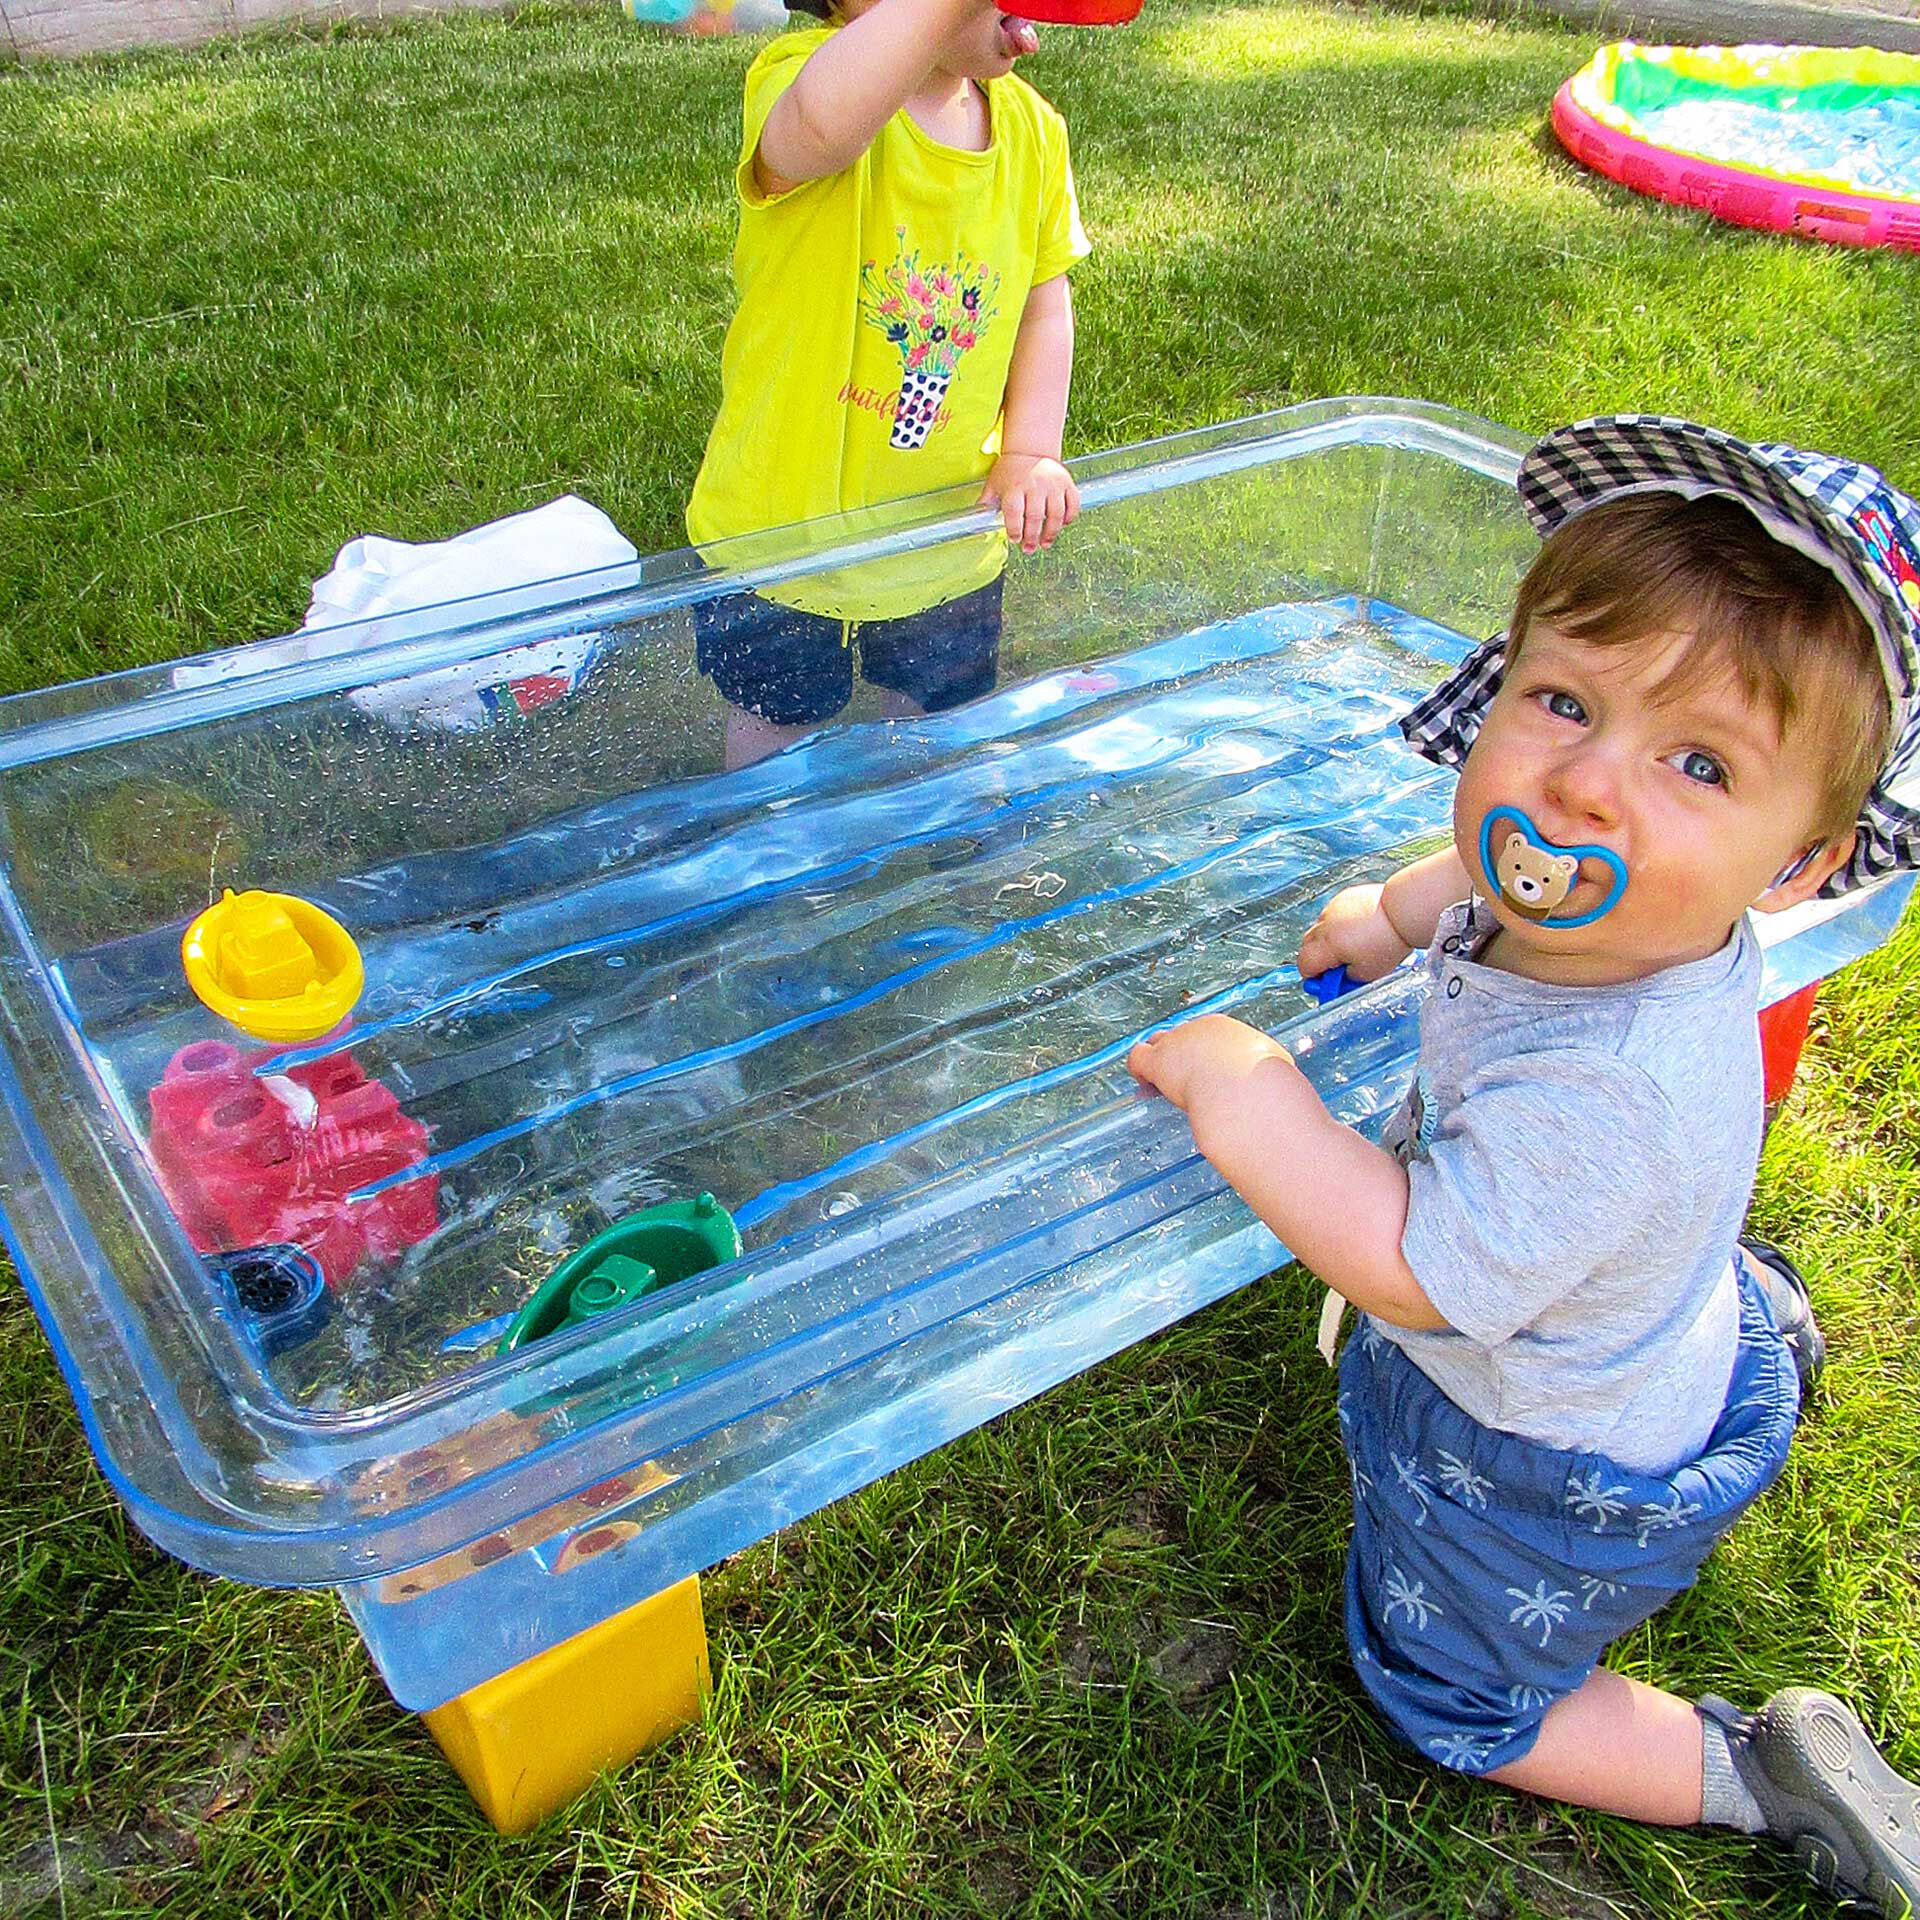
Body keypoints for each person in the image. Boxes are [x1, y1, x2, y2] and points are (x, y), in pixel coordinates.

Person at [1128, 416, 1920, 1913]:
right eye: (1562, 700)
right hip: (1645, 1320)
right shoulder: (1613, 910)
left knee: (1451, 1698)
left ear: (1805, 864)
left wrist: (1259, 1098)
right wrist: (1392, 911)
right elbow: (1494, 888)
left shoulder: (1608, 1092)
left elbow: (1420, 1276)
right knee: (1636, 1268)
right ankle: (1764, 1335)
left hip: (1544, 1472)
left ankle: (1743, 1772)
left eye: (1697, 760)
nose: (1584, 787)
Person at [686, 0, 1089, 769]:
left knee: (941, 724)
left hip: (945, 528)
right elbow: (824, 127)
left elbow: (1044, 304)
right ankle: (774, 866)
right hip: (781, 537)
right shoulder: (803, 80)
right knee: (776, 723)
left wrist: (1031, 449)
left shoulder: (1035, 134)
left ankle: (932, 855)